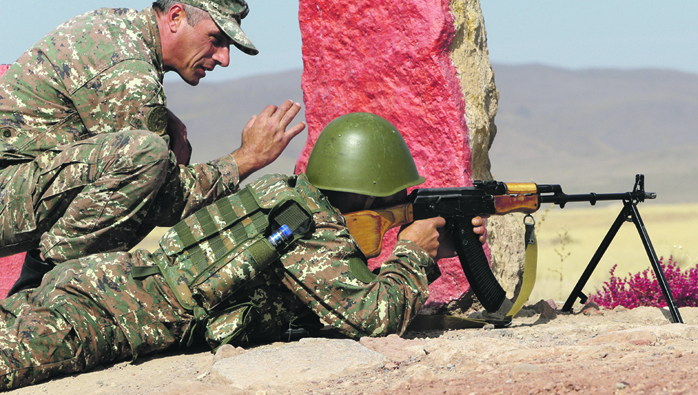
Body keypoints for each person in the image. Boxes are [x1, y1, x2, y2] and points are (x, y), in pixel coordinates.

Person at [0, 112, 486, 390]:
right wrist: (414, 254)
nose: (399, 206)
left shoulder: (285, 195)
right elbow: (373, 316)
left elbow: (326, 295)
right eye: (392, 198)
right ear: (363, 194)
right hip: (104, 314)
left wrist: (423, 244)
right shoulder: (312, 229)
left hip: (102, 283)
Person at [0, 0, 305, 293]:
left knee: (156, 152)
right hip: (8, 195)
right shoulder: (129, 71)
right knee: (146, 155)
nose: (224, 59)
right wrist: (247, 159)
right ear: (175, 17)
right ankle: (40, 292)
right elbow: (167, 201)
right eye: (216, 40)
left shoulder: (120, 31)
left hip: (15, 191)